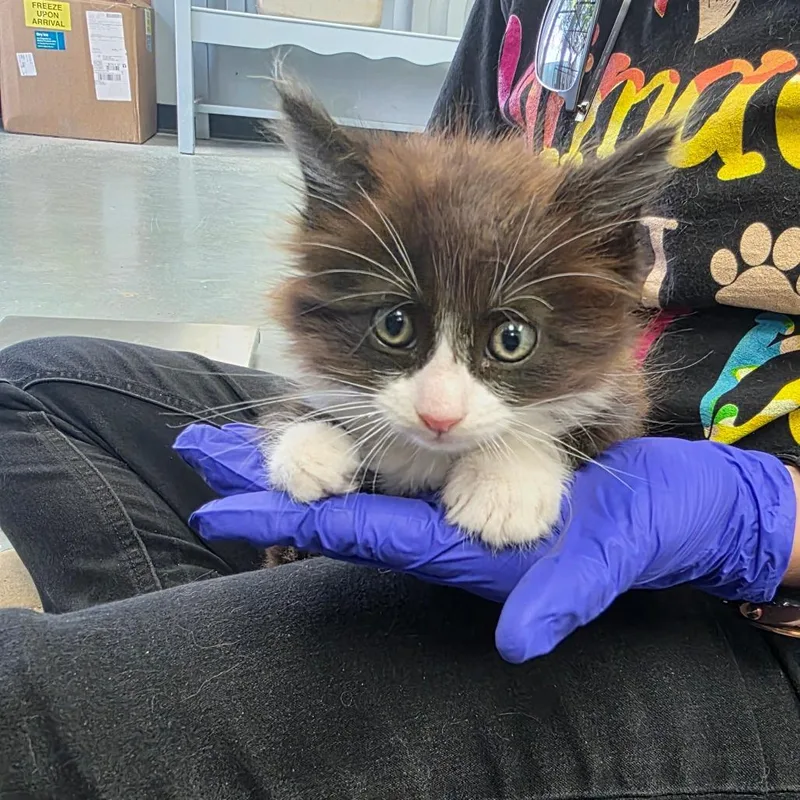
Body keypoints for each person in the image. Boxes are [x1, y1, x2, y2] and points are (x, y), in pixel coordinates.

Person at [3, 0, 800, 796]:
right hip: (433, 419)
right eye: (394, 326)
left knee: (32, 703)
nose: (442, 406)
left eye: (507, 342)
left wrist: (756, 518)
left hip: (718, 604)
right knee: (32, 388)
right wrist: (316, 413)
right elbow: (413, 219)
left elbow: (595, 392)